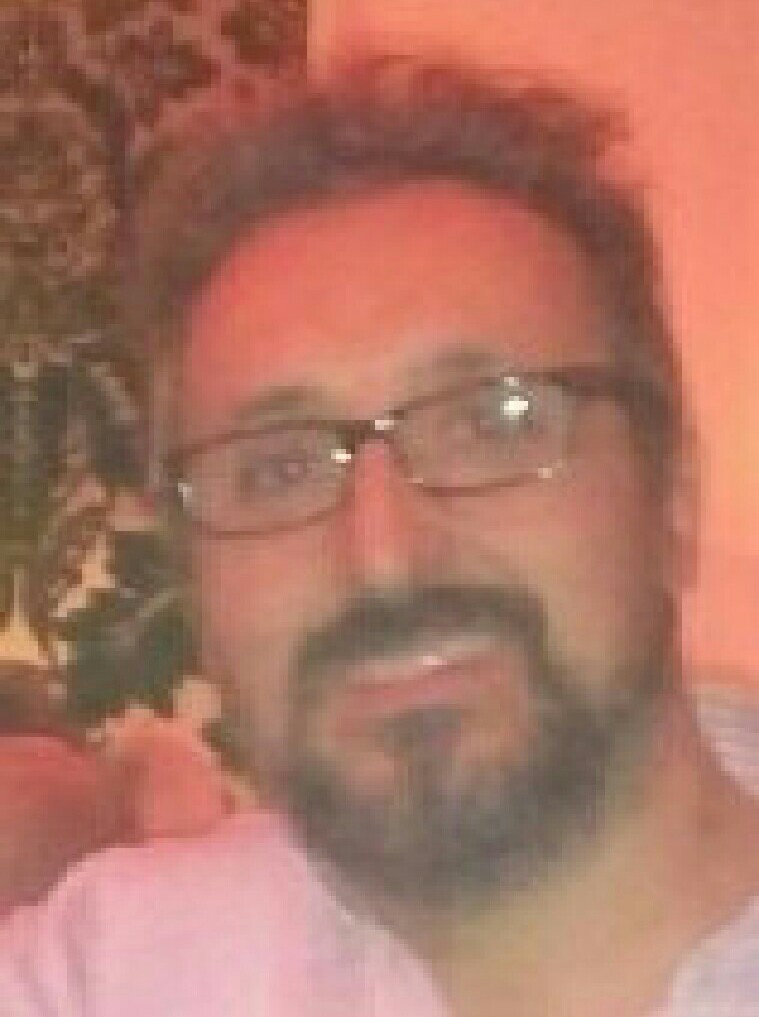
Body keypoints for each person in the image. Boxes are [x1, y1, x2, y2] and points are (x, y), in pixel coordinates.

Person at [1, 59, 757, 1016]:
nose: (384, 555)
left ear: (673, 494)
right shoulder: (115, 971)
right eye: (276, 467)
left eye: (489, 422)